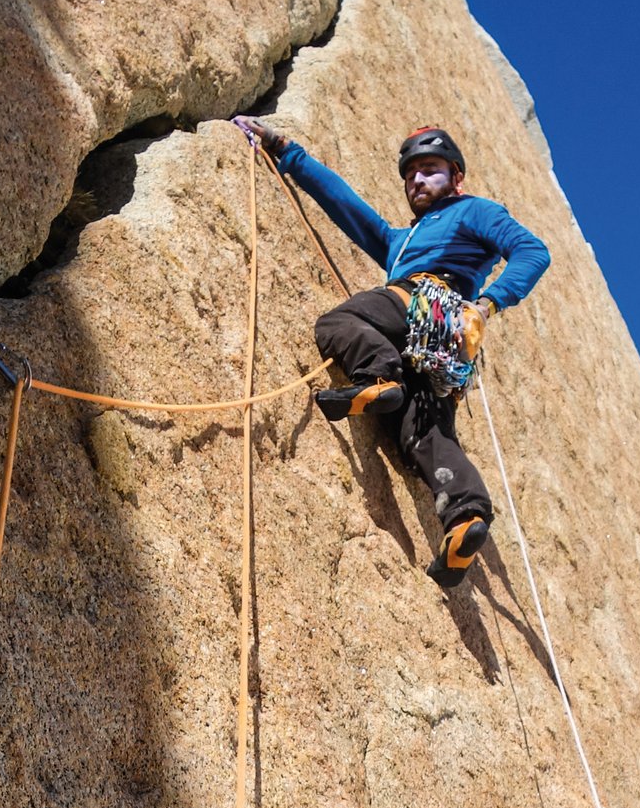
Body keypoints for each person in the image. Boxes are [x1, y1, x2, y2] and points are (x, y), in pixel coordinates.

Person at [233, 119, 550, 588]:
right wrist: (286, 151)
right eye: (410, 174)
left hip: (424, 304)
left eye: (430, 170)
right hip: (436, 346)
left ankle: (381, 377)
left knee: (339, 322)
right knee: (426, 433)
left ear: (456, 177)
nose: (417, 180)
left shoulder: (473, 212)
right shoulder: (400, 241)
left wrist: (486, 303)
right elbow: (348, 208)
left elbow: (532, 250)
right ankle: (465, 517)